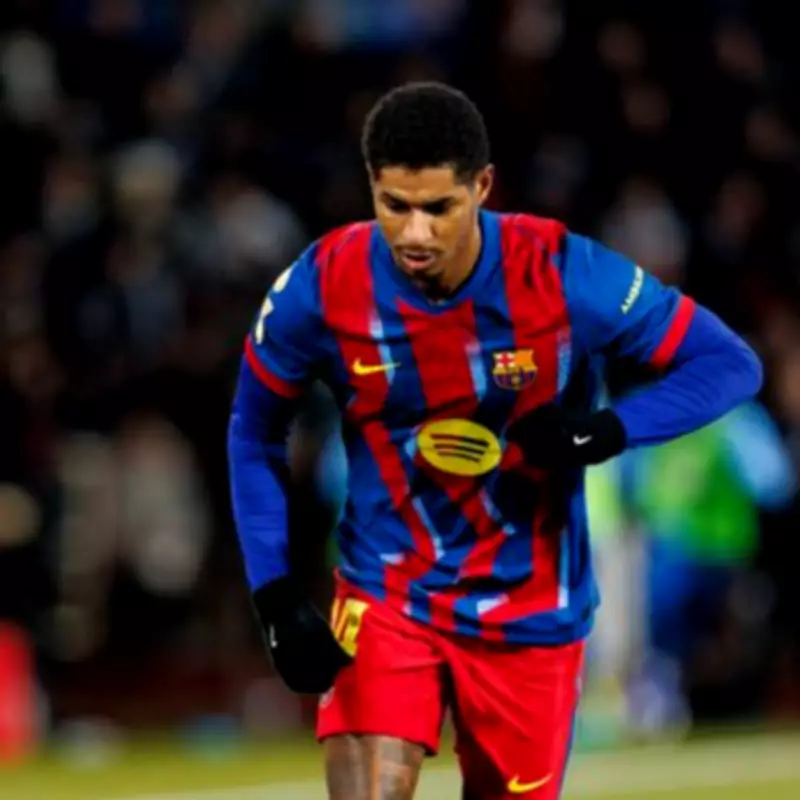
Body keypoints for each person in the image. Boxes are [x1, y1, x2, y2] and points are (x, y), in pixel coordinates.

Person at [227, 82, 762, 799]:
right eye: (395, 205)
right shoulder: (322, 286)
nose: (415, 234)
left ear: (482, 186)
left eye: (439, 208)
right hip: (388, 591)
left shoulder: (563, 272)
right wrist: (274, 596)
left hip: (532, 608)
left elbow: (729, 363)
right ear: (371, 186)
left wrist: (605, 430)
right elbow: (253, 430)